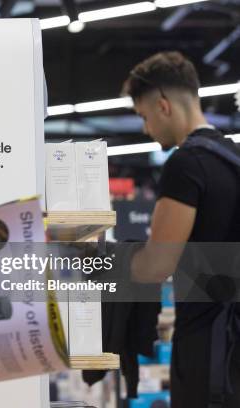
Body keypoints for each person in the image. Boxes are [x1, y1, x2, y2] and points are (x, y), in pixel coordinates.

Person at [123, 51, 240, 407]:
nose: (145, 129)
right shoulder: (233, 158)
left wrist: (109, 259)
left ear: (163, 106)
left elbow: (157, 265)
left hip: (208, 347)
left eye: (144, 116)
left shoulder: (186, 164)